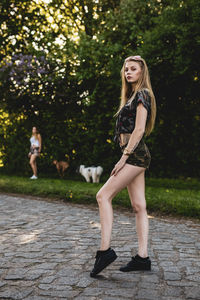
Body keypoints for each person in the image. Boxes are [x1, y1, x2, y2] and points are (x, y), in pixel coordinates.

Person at [90, 55, 156, 277]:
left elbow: (138, 130)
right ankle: (142, 258)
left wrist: (123, 158)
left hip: (135, 155)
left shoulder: (142, 95)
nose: (128, 72)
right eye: (126, 69)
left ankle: (105, 251)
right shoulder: (130, 97)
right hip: (133, 154)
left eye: (133, 69)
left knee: (103, 195)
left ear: (141, 72)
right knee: (139, 206)